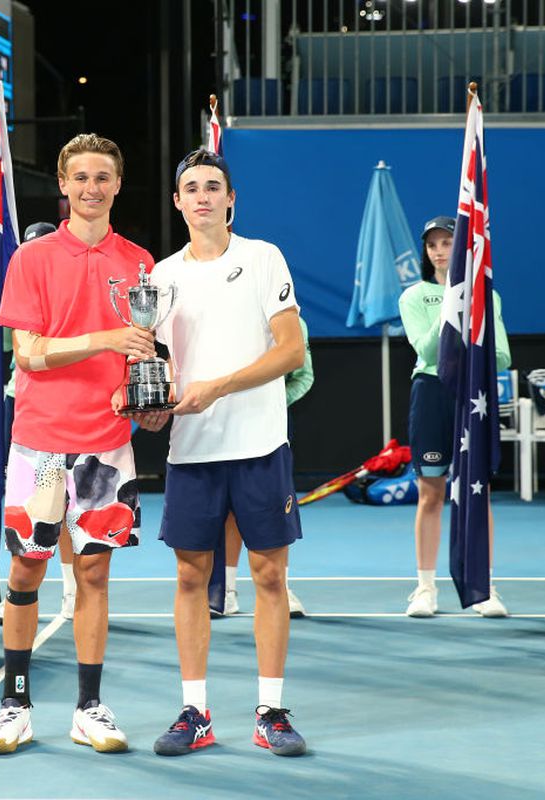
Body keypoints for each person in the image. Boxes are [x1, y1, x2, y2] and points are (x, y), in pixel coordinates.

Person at [0, 134, 159, 755]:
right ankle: (14, 705)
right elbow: (28, 353)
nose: (91, 187)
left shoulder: (141, 263)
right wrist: (106, 338)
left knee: (95, 576)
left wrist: (147, 400)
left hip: (108, 443)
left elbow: (145, 357)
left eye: (102, 177)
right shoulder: (30, 259)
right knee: (27, 568)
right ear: (62, 184)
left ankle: (90, 707)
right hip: (41, 446)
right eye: (80, 177)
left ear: (117, 184)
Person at [144, 149, 307, 757]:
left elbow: (290, 351)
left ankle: (270, 712)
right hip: (192, 450)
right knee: (191, 577)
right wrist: (152, 404)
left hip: (261, 444)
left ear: (231, 198)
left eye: (215, 186)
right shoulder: (159, 278)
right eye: (192, 187)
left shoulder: (263, 259)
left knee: (269, 575)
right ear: (178, 202)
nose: (204, 196)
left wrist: (216, 386)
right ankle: (195, 712)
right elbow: (156, 366)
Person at [397, 216, 512, 618]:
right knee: (430, 492)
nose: (440, 251)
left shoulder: (488, 297)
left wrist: (472, 311)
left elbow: (502, 356)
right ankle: (425, 589)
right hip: (431, 391)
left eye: (448, 243)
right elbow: (427, 352)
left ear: (463, 249)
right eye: (433, 245)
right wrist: (452, 302)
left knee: (478, 492)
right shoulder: (413, 297)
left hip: (473, 395)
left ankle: (483, 587)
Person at [0, 221, 78, 624]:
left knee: (64, 512)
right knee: (26, 513)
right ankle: (17, 590)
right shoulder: (20, 292)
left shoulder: (64, 291)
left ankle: (70, 589)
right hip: (22, 411)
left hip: (62, 414)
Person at [215, 316, 313, 618]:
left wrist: (273, 403)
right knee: (228, 509)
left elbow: (303, 376)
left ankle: (281, 586)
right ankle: (225, 592)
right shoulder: (223, 316)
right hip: (221, 423)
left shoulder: (292, 320)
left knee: (273, 508)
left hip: (272, 428)